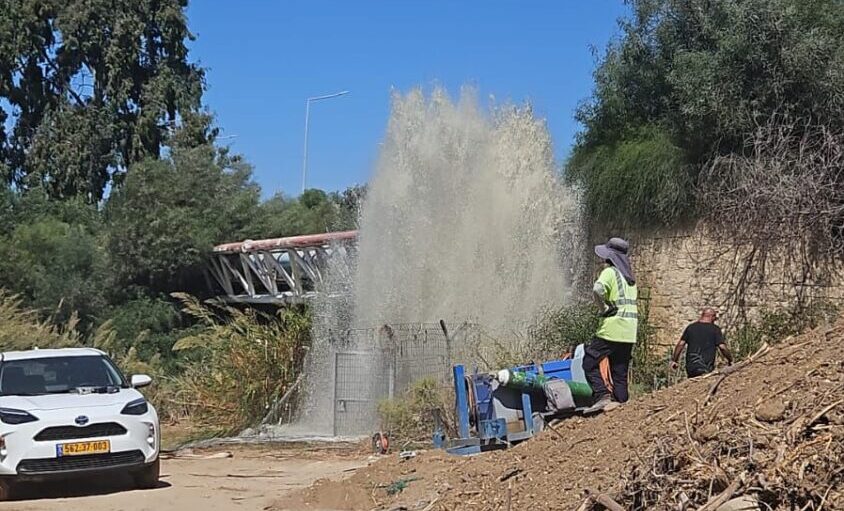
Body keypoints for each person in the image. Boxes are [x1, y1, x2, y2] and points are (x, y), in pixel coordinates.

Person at [582, 237, 638, 415]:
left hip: (613, 327)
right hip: (629, 332)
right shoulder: (630, 278)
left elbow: (597, 289)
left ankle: (602, 395)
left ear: (610, 257)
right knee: (619, 371)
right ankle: (622, 405)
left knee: (589, 361)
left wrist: (603, 307)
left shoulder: (610, 272)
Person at [670, 308, 733, 378]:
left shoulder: (691, 327)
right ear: (712, 317)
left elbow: (681, 344)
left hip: (691, 366)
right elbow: (722, 347)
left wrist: (675, 360)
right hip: (706, 366)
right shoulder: (715, 329)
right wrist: (730, 359)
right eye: (715, 318)